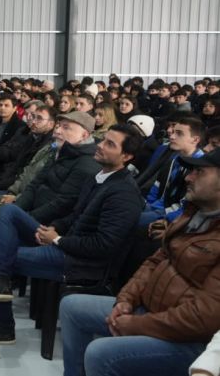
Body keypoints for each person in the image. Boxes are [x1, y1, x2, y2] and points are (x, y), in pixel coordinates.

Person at [0, 124, 143, 345]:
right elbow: (75, 216)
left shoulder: (123, 193)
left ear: (127, 157)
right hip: (62, 240)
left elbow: (103, 246)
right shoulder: (99, 177)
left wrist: (59, 240)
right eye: (103, 140)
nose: (101, 145)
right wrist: (56, 230)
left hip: (79, 262)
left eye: (111, 145)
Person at [59, 148, 220, 376]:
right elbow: (154, 262)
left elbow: (204, 318)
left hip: (189, 339)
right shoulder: (193, 213)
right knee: (71, 307)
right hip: (151, 312)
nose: (188, 177)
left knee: (100, 353)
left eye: (200, 172)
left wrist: (135, 325)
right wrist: (125, 301)